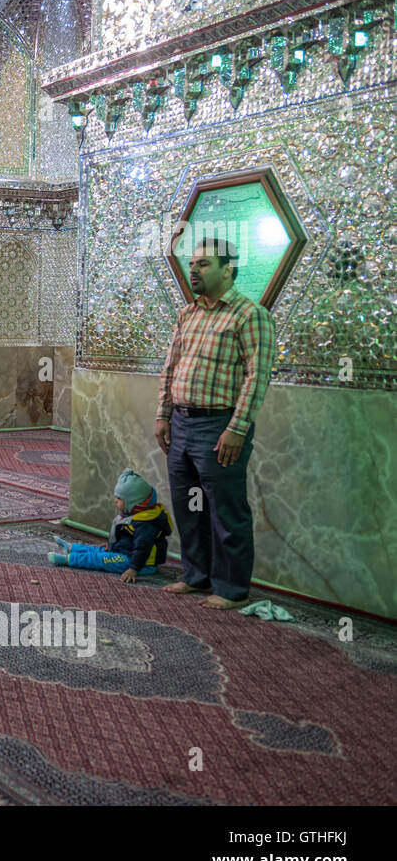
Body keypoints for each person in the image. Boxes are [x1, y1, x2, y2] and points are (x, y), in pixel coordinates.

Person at [155, 237, 274, 610]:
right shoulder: (188, 314)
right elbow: (170, 368)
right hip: (183, 424)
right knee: (189, 507)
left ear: (227, 270)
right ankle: (196, 576)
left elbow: (257, 377)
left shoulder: (249, 314)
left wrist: (237, 429)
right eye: (193, 264)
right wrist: (163, 414)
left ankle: (232, 588)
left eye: (204, 264)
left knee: (226, 511)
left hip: (219, 426)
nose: (194, 270)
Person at [47, 470, 172, 582]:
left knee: (99, 559)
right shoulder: (135, 514)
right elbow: (126, 537)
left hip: (139, 564)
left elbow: (142, 549)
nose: (115, 500)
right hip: (125, 552)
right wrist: (112, 545)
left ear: (134, 503)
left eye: (119, 498)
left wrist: (133, 569)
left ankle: (68, 559)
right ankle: (72, 548)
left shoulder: (146, 524)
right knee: (99, 550)